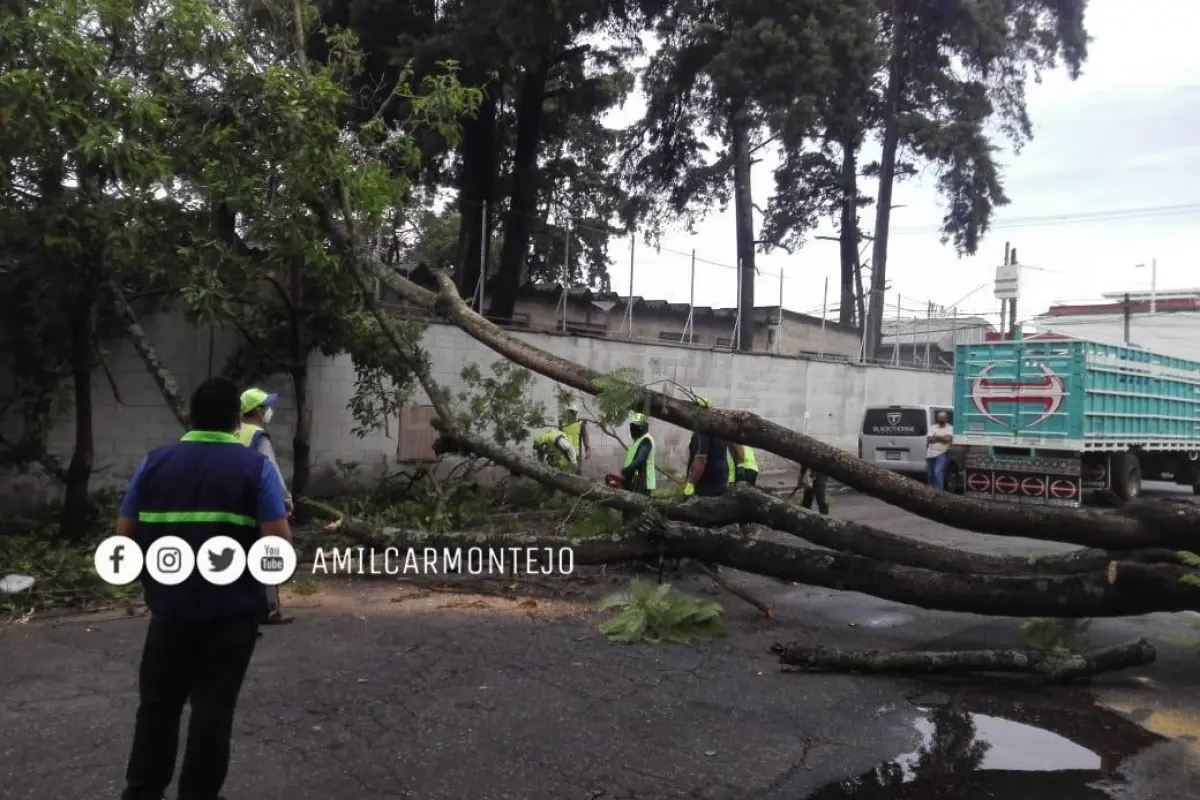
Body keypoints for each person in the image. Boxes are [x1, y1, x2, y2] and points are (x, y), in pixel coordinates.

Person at [119, 377, 291, 800]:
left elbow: (125, 534)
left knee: (158, 707)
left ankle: (142, 792)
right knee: (212, 711)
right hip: (230, 615)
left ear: (191, 416)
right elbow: (277, 544)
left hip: (170, 612)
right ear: (236, 420)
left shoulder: (154, 463)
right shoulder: (256, 468)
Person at [239, 387, 292, 625]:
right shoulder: (258, 437)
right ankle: (270, 608)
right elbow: (271, 472)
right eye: (266, 406)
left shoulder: (235, 432)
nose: (269, 410)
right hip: (259, 503)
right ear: (259, 412)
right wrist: (285, 500)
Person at [620, 413, 655, 495]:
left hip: (643, 481)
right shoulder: (637, 441)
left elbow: (640, 460)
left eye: (636, 427)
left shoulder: (646, 440)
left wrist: (624, 471)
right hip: (635, 479)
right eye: (632, 427)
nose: (633, 429)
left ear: (643, 428)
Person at [926, 410, 954, 490]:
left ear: (946, 419)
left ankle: (938, 491)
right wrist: (941, 438)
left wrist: (936, 437)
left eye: (942, 418)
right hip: (930, 453)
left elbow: (947, 439)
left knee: (937, 472)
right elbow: (929, 439)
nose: (941, 420)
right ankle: (932, 489)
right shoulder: (933, 427)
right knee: (930, 474)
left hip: (941, 453)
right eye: (939, 418)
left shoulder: (950, 428)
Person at [559, 401, 590, 474]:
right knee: (563, 475)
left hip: (576, 455)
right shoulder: (562, 424)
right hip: (564, 454)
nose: (572, 414)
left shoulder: (580, 424)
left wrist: (587, 449)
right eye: (570, 412)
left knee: (576, 475)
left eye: (574, 413)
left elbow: (585, 437)